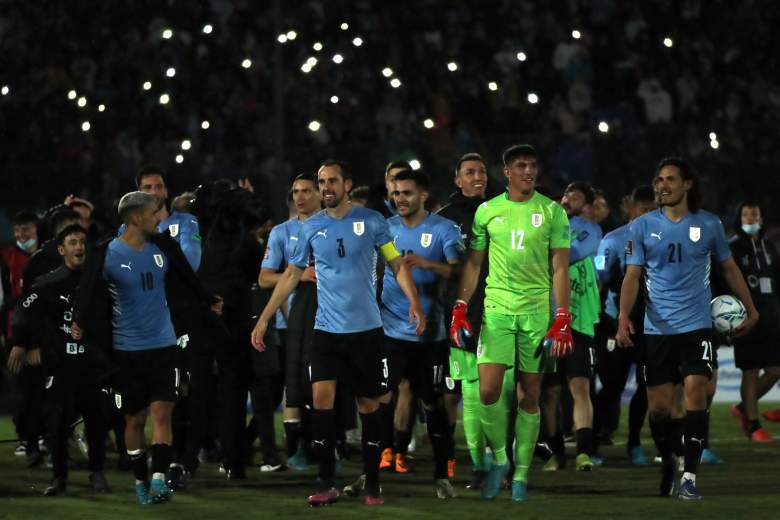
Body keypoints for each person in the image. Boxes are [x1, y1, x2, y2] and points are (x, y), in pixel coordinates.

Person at [251, 159, 425, 507]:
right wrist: (264, 318)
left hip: (367, 332)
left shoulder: (372, 222)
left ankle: (373, 482)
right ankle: (326, 481)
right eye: (321, 181)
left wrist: (414, 302)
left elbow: (395, 263)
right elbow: (289, 276)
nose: (326, 187)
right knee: (321, 403)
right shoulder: (310, 228)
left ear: (347, 184)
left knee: (368, 404)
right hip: (326, 332)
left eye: (332, 181)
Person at [616, 157, 759, 500]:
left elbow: (729, 268)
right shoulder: (641, 226)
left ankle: (690, 477)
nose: (661, 185)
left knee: (696, 392)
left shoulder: (709, 224)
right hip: (657, 329)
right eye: (659, 179)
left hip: (697, 326)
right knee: (660, 409)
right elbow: (632, 275)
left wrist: (750, 309)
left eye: (669, 179)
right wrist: (624, 317)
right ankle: (668, 458)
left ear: (687, 184)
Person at [71, 191, 222, 505]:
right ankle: (140, 478)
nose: (160, 218)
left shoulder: (164, 246)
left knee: (162, 412)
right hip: (127, 352)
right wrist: (80, 321)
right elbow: (86, 290)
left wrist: (208, 300)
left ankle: (157, 479)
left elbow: (186, 276)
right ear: (137, 217)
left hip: (164, 345)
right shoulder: (106, 254)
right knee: (135, 421)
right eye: (155, 212)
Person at [451, 144, 572, 502]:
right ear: (507, 171)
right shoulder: (488, 211)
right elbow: (474, 263)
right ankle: (501, 460)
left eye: (533, 165)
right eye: (521, 166)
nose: (529, 172)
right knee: (487, 391)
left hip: (536, 313)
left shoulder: (552, 212)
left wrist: (562, 316)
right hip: (497, 311)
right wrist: (461, 305)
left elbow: (560, 267)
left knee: (529, 395)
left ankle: (520, 475)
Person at [8, 225, 113, 496]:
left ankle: (97, 472)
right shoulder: (47, 283)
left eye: (82, 242)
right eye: (73, 242)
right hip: (60, 365)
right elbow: (22, 310)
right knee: (56, 423)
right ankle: (58, 478)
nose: (79, 247)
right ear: (61, 249)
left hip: (92, 366)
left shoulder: (100, 283)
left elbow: (112, 319)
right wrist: (20, 342)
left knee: (97, 421)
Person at [378, 169, 463, 498]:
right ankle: (378, 465)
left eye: (407, 193)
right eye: (396, 193)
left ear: (423, 195)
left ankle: (442, 473)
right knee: (381, 397)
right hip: (390, 330)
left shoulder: (444, 229)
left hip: (430, 334)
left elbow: (460, 269)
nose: (400, 199)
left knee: (432, 401)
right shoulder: (385, 229)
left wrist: (430, 265)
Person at [437, 152, 508, 488]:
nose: (477, 176)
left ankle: (502, 463)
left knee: (499, 392)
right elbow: (444, 271)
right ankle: (480, 466)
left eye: (481, 171)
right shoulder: (444, 219)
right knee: (470, 390)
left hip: (500, 312)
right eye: (469, 172)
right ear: (458, 179)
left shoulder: (502, 211)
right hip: (461, 315)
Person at [259, 173, 322, 469]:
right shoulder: (281, 232)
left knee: (320, 383)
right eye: (296, 191)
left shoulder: (333, 227)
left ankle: (323, 445)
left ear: (320, 194)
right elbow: (264, 278)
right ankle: (297, 447)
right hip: (290, 324)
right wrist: (299, 276)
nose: (300, 197)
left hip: (330, 320)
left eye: (307, 191)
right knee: (292, 386)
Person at [593, 185, 656, 465]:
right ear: (631, 208)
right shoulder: (613, 240)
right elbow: (598, 280)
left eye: (653, 210)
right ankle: (593, 442)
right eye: (644, 209)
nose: (649, 215)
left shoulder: (662, 239)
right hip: (612, 323)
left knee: (645, 386)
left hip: (650, 326)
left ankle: (634, 443)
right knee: (611, 387)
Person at [542, 182, 602, 471]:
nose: (567, 199)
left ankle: (584, 452)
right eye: (566, 194)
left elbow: (571, 255)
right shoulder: (544, 224)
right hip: (546, 321)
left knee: (580, 387)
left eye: (576, 197)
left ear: (587, 206)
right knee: (550, 392)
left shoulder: (589, 229)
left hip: (578, 321)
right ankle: (556, 454)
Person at [727, 201, 780, 441]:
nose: (750, 218)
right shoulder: (732, 248)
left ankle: (742, 408)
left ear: (761, 218)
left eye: (754, 214)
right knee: (750, 370)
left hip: (771, 317)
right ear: (739, 219)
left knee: (774, 370)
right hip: (746, 317)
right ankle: (753, 424)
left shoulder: (768, 246)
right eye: (746, 215)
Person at [136, 166, 201, 270]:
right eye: (148, 187)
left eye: (158, 187)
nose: (153, 192)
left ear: (165, 191)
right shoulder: (131, 227)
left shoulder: (187, 222)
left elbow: (191, 262)